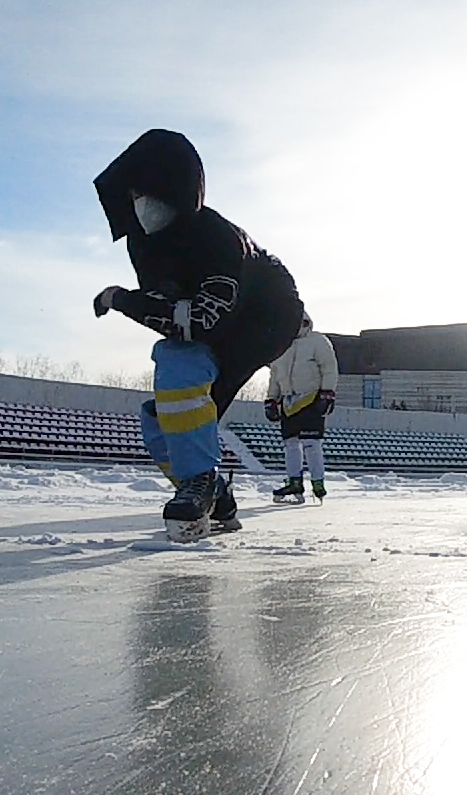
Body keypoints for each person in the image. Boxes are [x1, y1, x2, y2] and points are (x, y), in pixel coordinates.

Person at [93, 129, 304, 542]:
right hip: (221, 328)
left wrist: (122, 300)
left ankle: (199, 483)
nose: (141, 203)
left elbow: (198, 322)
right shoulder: (142, 244)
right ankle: (214, 492)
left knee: (178, 358)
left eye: (148, 190)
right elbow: (167, 305)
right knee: (161, 420)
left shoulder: (217, 238)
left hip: (266, 320)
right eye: (133, 192)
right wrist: (137, 301)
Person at [265, 312, 338, 503]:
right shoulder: (280, 345)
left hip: (312, 397)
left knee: (311, 443)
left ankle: (318, 482)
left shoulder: (318, 341)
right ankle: (294, 481)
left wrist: (327, 393)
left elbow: (329, 367)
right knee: (290, 443)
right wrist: (271, 399)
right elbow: (275, 375)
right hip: (288, 401)